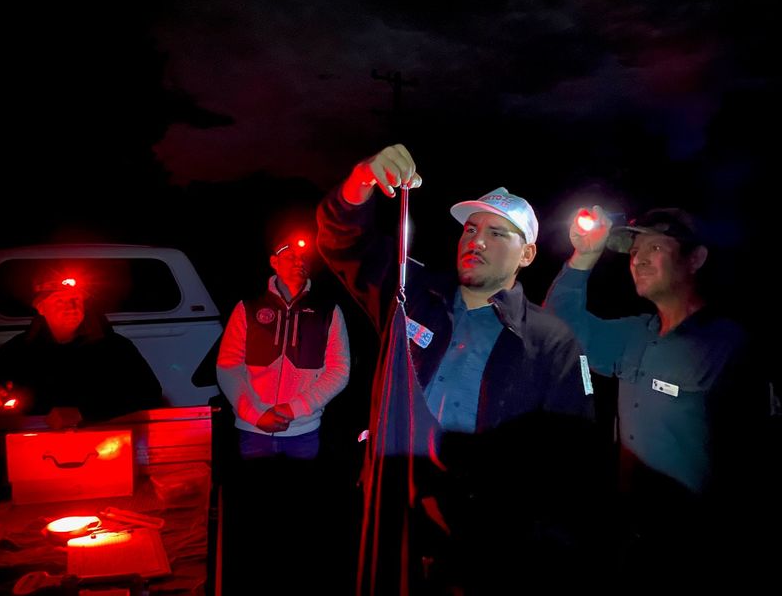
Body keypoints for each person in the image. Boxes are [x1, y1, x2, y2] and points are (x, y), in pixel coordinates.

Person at [316, 144, 606, 593]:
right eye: (470, 229)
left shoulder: (552, 339)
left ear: (526, 255)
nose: (477, 240)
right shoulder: (410, 296)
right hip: (394, 518)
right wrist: (361, 181)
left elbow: (570, 462)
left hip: (486, 543)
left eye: (497, 233)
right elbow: (342, 242)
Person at [543, 205, 770, 585]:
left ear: (695, 258)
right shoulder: (635, 335)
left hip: (698, 551)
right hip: (631, 544)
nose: (639, 260)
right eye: (634, 252)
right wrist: (584, 256)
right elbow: (560, 328)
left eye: (655, 249)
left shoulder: (730, 345)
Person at [216, 231, 351, 460]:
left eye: (304, 257)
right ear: (274, 262)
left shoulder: (328, 312)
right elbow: (228, 366)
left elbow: (339, 371)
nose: (299, 262)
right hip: (252, 431)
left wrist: (294, 409)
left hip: (303, 433)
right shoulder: (247, 309)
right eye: (291, 256)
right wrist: (255, 414)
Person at [0, 270, 165, 423]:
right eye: (59, 300)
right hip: (31, 446)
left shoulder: (115, 348)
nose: (71, 307)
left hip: (105, 445)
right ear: (41, 308)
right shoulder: (18, 350)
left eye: (76, 299)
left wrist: (84, 413)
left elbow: (149, 394)